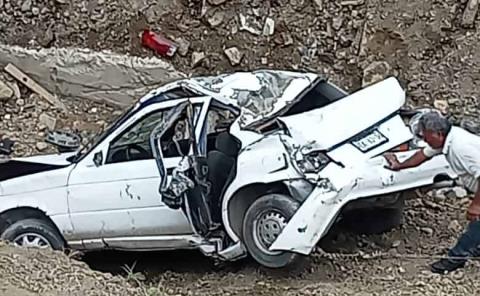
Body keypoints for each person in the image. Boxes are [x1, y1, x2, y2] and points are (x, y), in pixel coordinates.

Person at [384, 111, 480, 274]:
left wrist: (476, 205)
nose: (424, 140)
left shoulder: (460, 147)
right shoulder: (445, 140)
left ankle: (455, 258)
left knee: (477, 224)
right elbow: (422, 155)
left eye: (426, 137)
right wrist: (399, 165)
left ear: (439, 134)